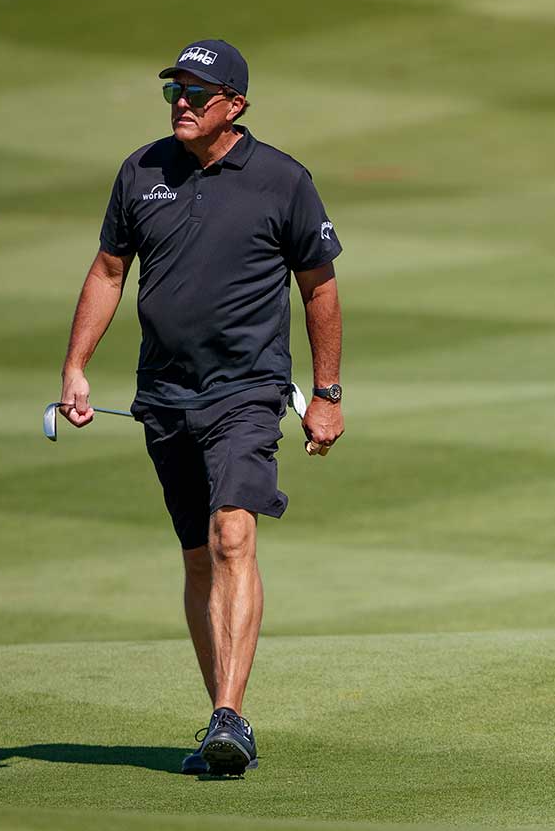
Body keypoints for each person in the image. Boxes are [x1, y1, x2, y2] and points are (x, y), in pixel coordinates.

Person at [56, 39, 345, 776]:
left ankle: (229, 717)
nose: (181, 104)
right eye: (173, 92)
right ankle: (222, 714)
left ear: (234, 105)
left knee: (231, 536)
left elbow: (319, 286)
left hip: (247, 391)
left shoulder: (282, 180)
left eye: (196, 93)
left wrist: (327, 393)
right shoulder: (141, 171)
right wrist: (77, 366)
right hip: (163, 395)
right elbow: (109, 271)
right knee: (196, 556)